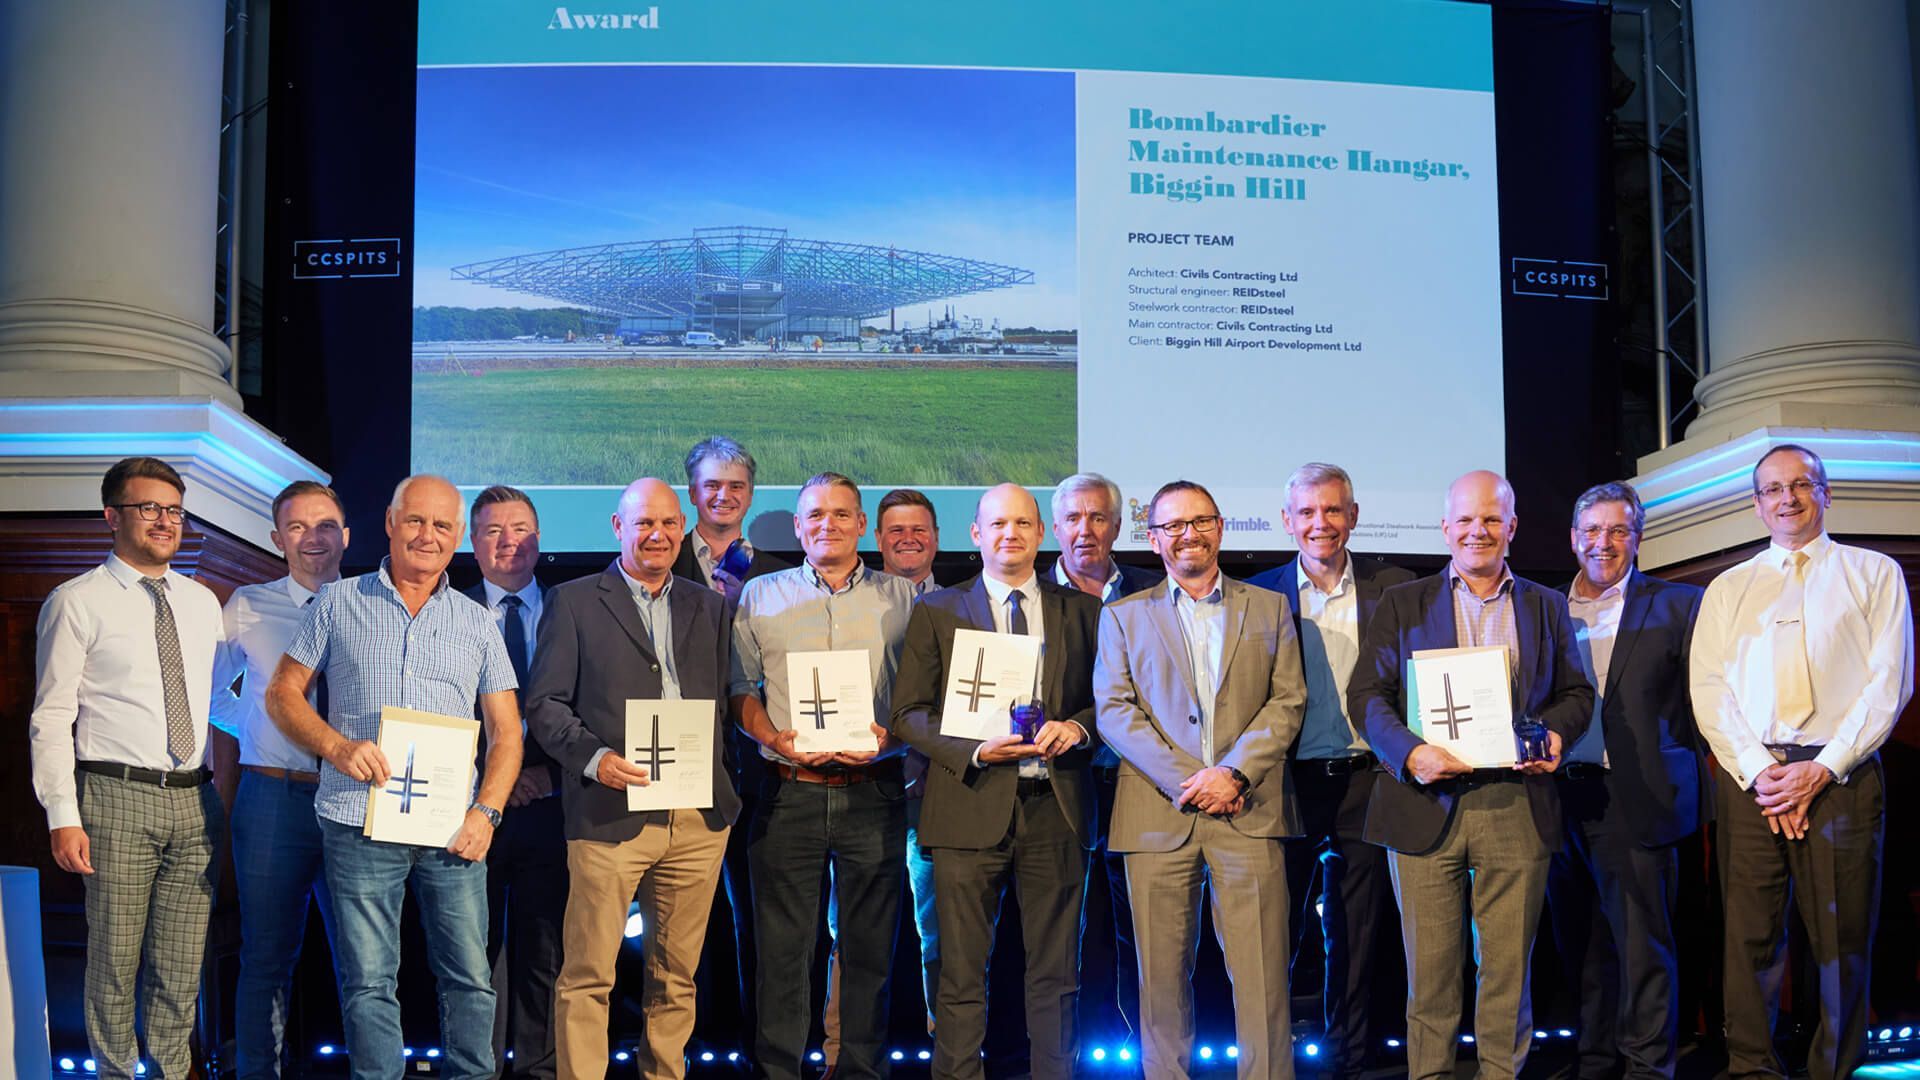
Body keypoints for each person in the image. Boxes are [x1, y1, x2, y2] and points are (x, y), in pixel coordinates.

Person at [266, 474, 523, 1080]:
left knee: (469, 979)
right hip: (358, 822)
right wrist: (334, 745)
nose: (427, 535)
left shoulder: (477, 621)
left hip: (453, 830)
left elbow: (508, 733)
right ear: (389, 522)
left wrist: (486, 813)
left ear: (458, 536)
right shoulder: (338, 601)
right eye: (415, 521)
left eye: (441, 526)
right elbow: (283, 694)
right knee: (367, 983)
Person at [1349, 470, 1593, 1080]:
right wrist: (1408, 753)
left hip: (1516, 804)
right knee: (1428, 977)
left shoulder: (1546, 604)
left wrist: (1558, 733)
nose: (1476, 531)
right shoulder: (1402, 604)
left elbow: (1576, 692)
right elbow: (1366, 695)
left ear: (1511, 527)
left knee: (1507, 975)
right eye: (1464, 519)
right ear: (1445, 528)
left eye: (1490, 519)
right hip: (1423, 805)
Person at [1690, 444, 1913, 1080]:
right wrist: (1763, 771)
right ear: (1757, 504)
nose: (1788, 498)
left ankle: (1834, 1071)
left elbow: (1888, 683)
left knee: (1842, 940)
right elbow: (1708, 688)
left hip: (1842, 778)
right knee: (1750, 938)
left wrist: (1823, 768)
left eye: (1801, 485)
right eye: (1773, 489)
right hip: (1752, 781)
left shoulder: (1874, 573)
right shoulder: (1728, 588)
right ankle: (1752, 1069)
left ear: (1825, 492)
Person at [1094, 479, 1307, 1080]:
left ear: (1221, 527)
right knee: (1159, 982)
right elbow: (1113, 710)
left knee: (1264, 978)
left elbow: (1288, 701)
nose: (1188, 534)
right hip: (1157, 818)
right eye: (1173, 525)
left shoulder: (1268, 608)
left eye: (1201, 521)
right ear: (1154, 538)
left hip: (1250, 810)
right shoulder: (1123, 616)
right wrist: (1194, 780)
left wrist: (1234, 773)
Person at [527, 478, 739, 1079]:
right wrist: (595, 759)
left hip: (697, 819)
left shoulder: (712, 605)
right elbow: (545, 705)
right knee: (589, 974)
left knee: (677, 978)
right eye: (644, 523)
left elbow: (729, 701)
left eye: (670, 523)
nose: (658, 534)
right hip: (607, 814)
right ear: (618, 528)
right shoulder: (571, 602)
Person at [892, 483, 1102, 1078]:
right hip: (967, 804)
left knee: (1057, 976)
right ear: (976, 536)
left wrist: (1078, 730)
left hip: (1054, 808)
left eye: (1022, 523)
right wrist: (975, 748)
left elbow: (1108, 703)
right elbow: (908, 713)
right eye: (997, 525)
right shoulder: (938, 610)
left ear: (1041, 534)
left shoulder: (1082, 611)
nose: (1010, 534)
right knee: (959, 975)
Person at [30, 456, 227, 1080]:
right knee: (114, 962)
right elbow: (50, 716)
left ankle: (169, 1072)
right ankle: (115, 1073)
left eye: (173, 509)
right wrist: (63, 815)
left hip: (196, 800)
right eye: (149, 508)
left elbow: (220, 704)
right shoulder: (77, 602)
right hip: (115, 797)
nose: (164, 521)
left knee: (180, 963)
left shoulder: (202, 603)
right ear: (111, 515)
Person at [730, 472, 914, 1080]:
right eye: (814, 516)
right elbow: (739, 689)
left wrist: (893, 734)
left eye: (841, 514)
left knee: (868, 953)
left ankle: (858, 1070)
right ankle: (778, 1071)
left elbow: (922, 692)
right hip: (789, 795)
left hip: (875, 793)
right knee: (782, 956)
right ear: (799, 527)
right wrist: (769, 737)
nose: (826, 525)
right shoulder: (760, 595)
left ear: (862, 525)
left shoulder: (904, 597)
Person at [1245, 463, 1414, 1080]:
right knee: (1273, 932)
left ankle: (1346, 1059)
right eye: (1308, 513)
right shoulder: (1257, 595)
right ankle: (1272, 1058)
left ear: (1354, 515)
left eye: (1333, 510)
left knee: (1358, 933)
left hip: (1369, 781)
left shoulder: (1396, 587)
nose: (1322, 523)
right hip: (1283, 783)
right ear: (1287, 521)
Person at [1544, 481, 1704, 1080]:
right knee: (1579, 944)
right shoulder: (1543, 607)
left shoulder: (1681, 604)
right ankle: (1594, 1061)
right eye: (1591, 530)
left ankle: (1646, 1068)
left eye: (1617, 530)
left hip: (1637, 795)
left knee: (1643, 947)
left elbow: (1705, 703)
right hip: (1559, 796)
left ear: (1638, 538)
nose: (1602, 542)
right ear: (1572, 538)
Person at [209, 479, 350, 1079]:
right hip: (271, 799)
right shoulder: (246, 604)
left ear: (346, 536)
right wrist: (268, 727)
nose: (312, 538)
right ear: (276, 538)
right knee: (266, 958)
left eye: (325, 526)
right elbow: (213, 696)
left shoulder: (373, 602)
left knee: (364, 960)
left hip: (354, 800)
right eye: (297, 527)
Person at [1047, 471, 1162, 1045]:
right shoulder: (1027, 595)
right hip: (1058, 786)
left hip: (1140, 782)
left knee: (1140, 928)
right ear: (1055, 527)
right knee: (1064, 928)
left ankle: (1144, 1047)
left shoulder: (1154, 589)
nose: (1085, 530)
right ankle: (1076, 1046)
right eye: (1072, 518)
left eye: (1097, 518)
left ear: (1118, 526)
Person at [464, 485, 566, 1079]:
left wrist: (542, 776)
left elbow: (594, 708)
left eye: (522, 528)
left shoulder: (574, 609)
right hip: (469, 809)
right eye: (495, 531)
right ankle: (475, 1068)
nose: (510, 542)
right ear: (473, 542)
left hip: (553, 807)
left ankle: (540, 1070)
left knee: (544, 954)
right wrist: (493, 782)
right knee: (472, 957)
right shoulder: (446, 614)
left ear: (539, 538)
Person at [671, 435, 788, 599]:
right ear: (692, 494)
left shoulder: (780, 577)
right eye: (712, 485)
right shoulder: (666, 564)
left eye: (736, 486)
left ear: (750, 495)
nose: (724, 496)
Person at [875, 486, 943, 596]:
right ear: (878, 539)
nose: (908, 539)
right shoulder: (853, 604)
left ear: (936, 537)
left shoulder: (960, 608)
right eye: (897, 530)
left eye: (919, 530)